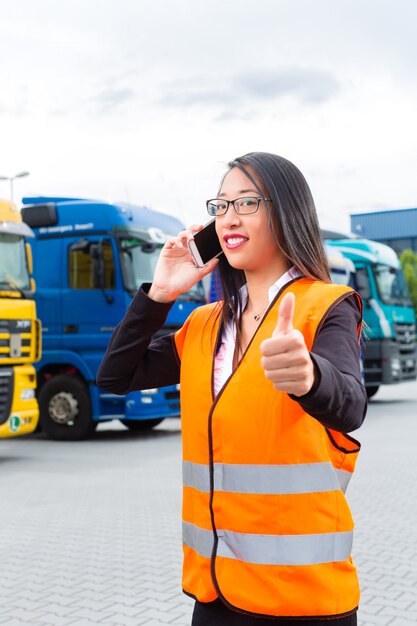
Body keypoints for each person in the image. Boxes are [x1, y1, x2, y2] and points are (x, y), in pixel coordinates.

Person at [97, 152, 367, 626]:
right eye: (220, 207)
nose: (228, 219)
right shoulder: (205, 324)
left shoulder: (324, 306)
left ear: (286, 213)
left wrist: (309, 377)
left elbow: (349, 405)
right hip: (217, 593)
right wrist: (159, 295)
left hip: (301, 598)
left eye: (246, 203)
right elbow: (115, 377)